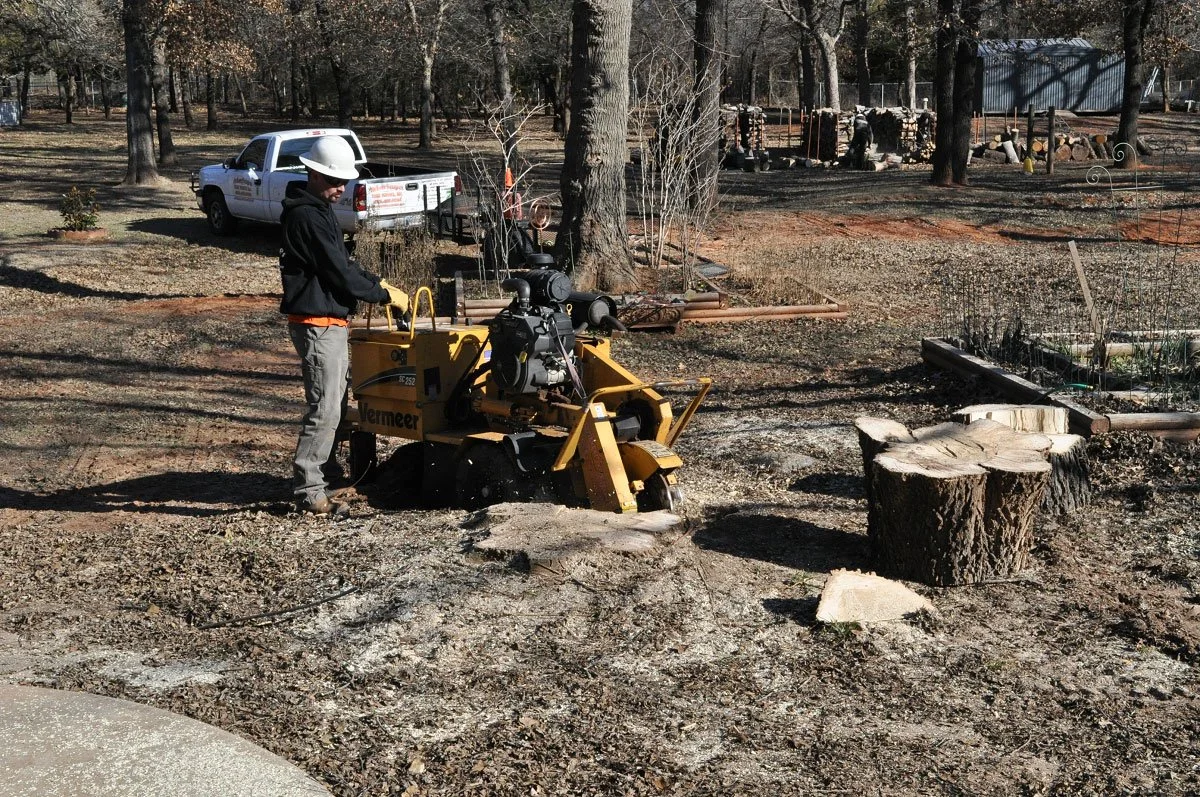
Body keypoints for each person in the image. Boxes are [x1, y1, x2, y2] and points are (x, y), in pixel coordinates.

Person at [279, 135, 407, 516]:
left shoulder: (318, 212)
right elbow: (340, 273)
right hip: (317, 323)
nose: (341, 188)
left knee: (334, 402)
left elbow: (344, 264)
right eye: (335, 181)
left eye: (344, 182)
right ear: (314, 174)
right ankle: (309, 488)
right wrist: (380, 295)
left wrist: (378, 283)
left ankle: (328, 473)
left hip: (328, 321)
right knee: (325, 408)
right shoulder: (307, 216)